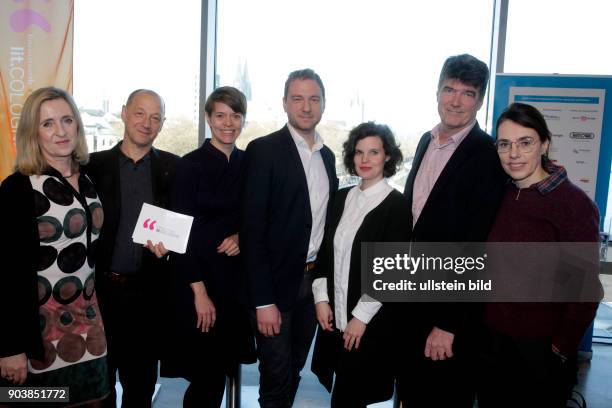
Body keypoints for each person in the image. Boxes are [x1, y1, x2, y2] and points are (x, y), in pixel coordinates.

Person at [398, 54, 507, 406]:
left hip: (449, 312)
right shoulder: (425, 142)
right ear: (437, 90)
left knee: (444, 397)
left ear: (480, 99)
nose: (456, 101)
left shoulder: (487, 155)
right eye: (449, 89)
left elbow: (478, 246)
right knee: (412, 393)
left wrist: (449, 323)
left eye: (468, 93)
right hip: (413, 296)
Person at [478, 102, 602, 407]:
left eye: (525, 142)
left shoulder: (572, 204)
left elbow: (584, 290)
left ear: (544, 144)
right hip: (493, 344)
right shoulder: (503, 194)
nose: (514, 154)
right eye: (505, 144)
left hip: (540, 352)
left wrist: (559, 348)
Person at [0, 87, 109, 406]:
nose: (61, 131)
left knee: (94, 401)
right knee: (40, 403)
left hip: (91, 331)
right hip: (38, 338)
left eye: (67, 120)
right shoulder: (18, 188)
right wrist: (9, 348)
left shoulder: (89, 180)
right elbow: (5, 273)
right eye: (48, 124)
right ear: (33, 132)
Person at [241, 68, 339, 407]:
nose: (306, 107)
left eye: (314, 99)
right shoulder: (264, 150)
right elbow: (252, 231)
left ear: (323, 104)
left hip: (311, 285)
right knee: (275, 374)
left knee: (296, 368)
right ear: (285, 103)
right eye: (298, 98)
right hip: (274, 287)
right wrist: (263, 301)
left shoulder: (328, 157)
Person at [160, 86, 255, 407]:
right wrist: (199, 293)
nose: (228, 123)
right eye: (220, 115)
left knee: (221, 372)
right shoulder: (190, 165)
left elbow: (257, 216)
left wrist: (242, 235)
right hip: (198, 282)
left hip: (234, 286)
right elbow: (178, 235)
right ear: (208, 118)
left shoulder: (249, 163)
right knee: (204, 378)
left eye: (235, 116)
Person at [86, 89, 178, 407]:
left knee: (140, 389)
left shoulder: (174, 169)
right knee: (100, 388)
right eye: (140, 113)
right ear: (124, 113)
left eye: (155, 117)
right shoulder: (91, 167)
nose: (147, 123)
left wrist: (172, 249)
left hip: (149, 297)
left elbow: (189, 226)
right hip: (100, 295)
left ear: (162, 123)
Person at [310, 122, 411, 407]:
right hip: (336, 319)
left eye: (374, 152)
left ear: (388, 157)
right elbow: (325, 255)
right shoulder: (342, 197)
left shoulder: (397, 205)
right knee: (343, 395)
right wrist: (321, 299)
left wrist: (361, 318)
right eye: (359, 152)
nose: (365, 160)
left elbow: (392, 270)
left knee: (350, 397)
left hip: (370, 322)